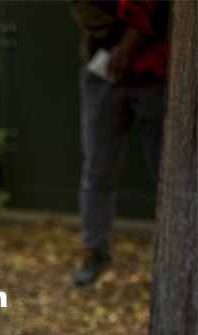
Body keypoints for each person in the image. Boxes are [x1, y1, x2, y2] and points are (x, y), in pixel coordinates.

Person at [70, 0, 167, 285]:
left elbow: (165, 14)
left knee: (168, 174)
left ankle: (174, 249)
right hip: (104, 75)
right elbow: (93, 18)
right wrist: (132, 38)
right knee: (97, 170)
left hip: (156, 76)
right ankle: (94, 251)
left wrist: (128, 45)